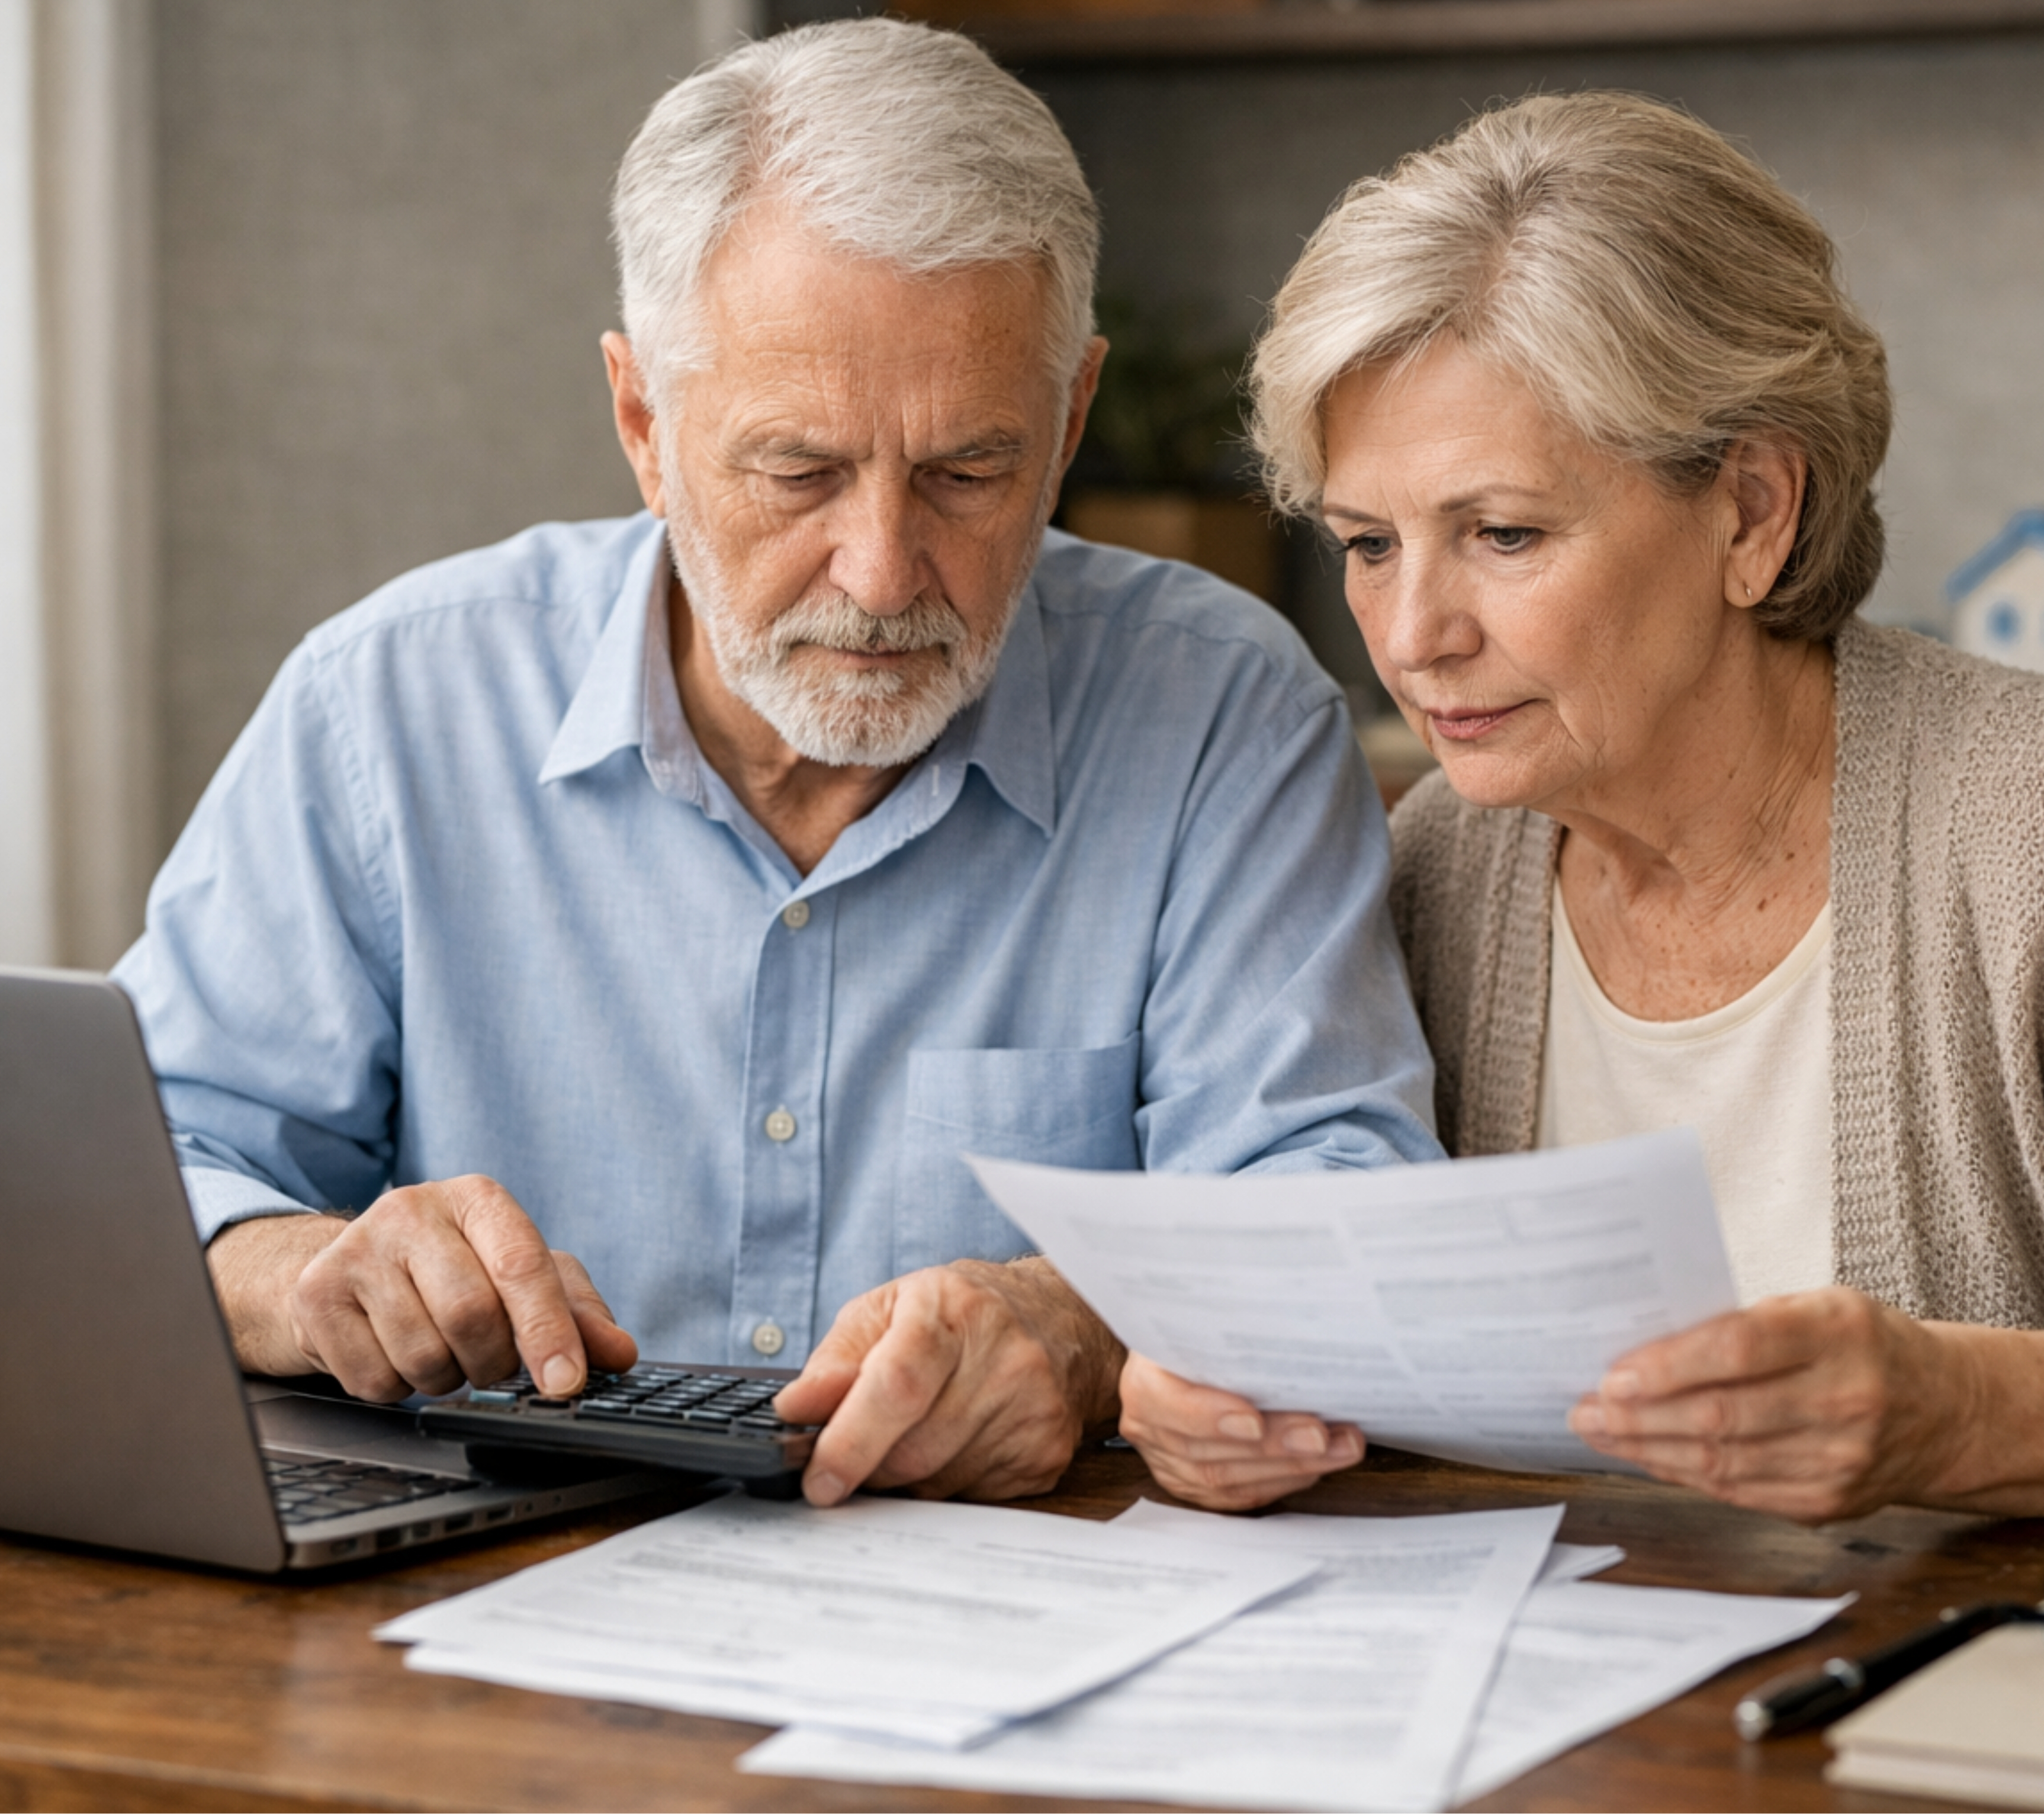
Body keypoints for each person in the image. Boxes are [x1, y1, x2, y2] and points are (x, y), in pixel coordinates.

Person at [1120, 91, 2044, 1527]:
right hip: (1594, 1718)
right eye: (1368, 543)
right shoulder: (1438, 856)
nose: (1414, 632)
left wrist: (1961, 1410)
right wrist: (1224, 1393)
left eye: (1504, 533)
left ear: (1752, 512)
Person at [118, 18, 1436, 1511]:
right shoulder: (390, 709)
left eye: (968, 472)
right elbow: (139, 1160)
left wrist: (1082, 1326)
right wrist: (299, 1271)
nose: (881, 575)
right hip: (492, 1618)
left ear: (1070, 418)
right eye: (798, 471)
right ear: (644, 424)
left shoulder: (1221, 717)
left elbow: (1335, 1215)